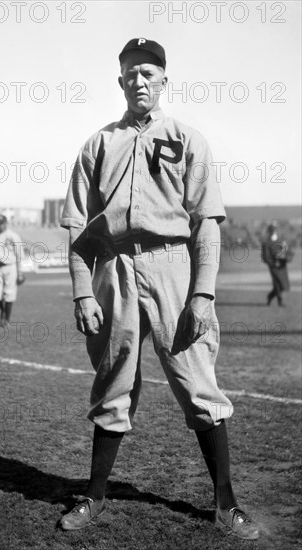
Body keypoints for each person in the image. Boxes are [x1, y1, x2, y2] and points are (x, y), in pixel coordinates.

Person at [59, 38, 259, 539]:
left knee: (199, 387)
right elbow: (77, 227)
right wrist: (83, 291)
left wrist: (204, 294)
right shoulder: (98, 144)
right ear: (120, 80)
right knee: (112, 383)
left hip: (174, 268)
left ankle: (226, 505)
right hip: (115, 271)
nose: (139, 81)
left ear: (165, 80)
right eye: (130, 73)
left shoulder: (188, 140)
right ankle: (94, 497)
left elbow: (207, 224)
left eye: (149, 73)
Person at [0, 214, 24, 324]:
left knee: (9, 294)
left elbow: (19, 254)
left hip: (10, 266)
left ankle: (6, 320)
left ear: (6, 223)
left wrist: (20, 272)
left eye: (3, 223)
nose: (1, 225)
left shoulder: (13, 236)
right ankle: (3, 310)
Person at [261, 222, 292, 306]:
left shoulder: (282, 241)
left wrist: (286, 258)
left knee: (283, 285)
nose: (274, 232)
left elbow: (288, 252)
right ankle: (280, 301)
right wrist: (273, 263)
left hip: (282, 266)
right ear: (270, 231)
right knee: (277, 283)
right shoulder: (266, 243)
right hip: (274, 266)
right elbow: (265, 257)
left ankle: (270, 296)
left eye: (275, 230)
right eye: (272, 230)